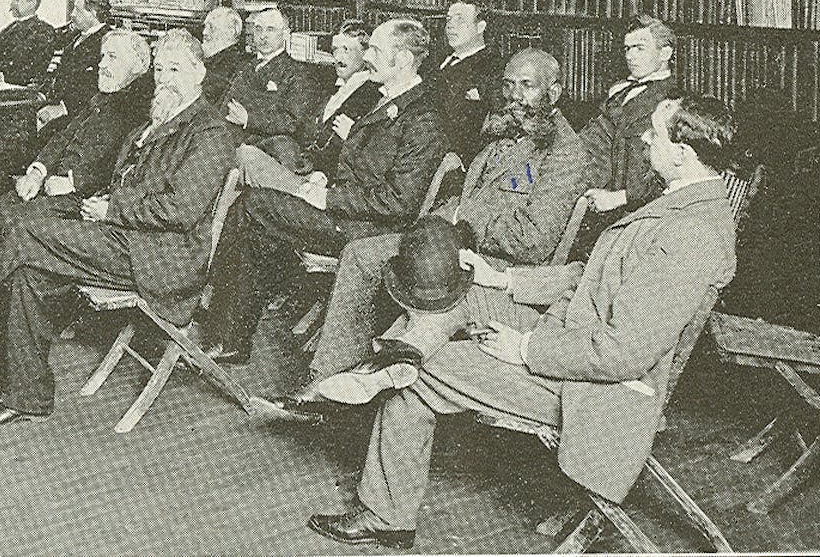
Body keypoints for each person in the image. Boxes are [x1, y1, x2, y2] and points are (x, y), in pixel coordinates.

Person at [304, 94, 738, 549]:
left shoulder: (691, 234)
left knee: (428, 373)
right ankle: (392, 362)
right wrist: (505, 278)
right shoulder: (676, 204)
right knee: (465, 294)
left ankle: (386, 501)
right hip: (567, 334)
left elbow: (622, 355)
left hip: (590, 391)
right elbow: (584, 278)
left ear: (682, 154)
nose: (644, 139)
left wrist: (524, 350)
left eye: (654, 132)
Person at [0, 29, 235, 427]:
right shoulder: (160, 118)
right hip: (127, 238)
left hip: (161, 258)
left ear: (200, 73)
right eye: (159, 70)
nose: (165, 78)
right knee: (28, 273)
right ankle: (27, 396)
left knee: (28, 232)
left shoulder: (210, 133)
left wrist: (110, 208)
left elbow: (181, 210)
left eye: (176, 69)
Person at [261, 48, 588, 410]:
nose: (513, 95)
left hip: (497, 266)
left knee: (393, 263)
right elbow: (466, 199)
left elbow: (533, 242)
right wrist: (440, 220)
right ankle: (329, 378)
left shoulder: (565, 154)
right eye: (509, 84)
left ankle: (367, 375)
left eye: (526, 86)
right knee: (361, 254)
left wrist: (464, 216)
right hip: (454, 241)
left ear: (553, 93)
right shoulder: (504, 131)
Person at [198, 18, 446, 363]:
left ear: (403, 60)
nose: (367, 57)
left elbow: (400, 203)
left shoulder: (422, 119)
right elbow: (359, 166)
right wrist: (324, 181)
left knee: (253, 206)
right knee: (259, 221)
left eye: (374, 49)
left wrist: (328, 197)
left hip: (367, 232)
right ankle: (227, 331)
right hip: (345, 211)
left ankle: (220, 325)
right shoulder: (384, 99)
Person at [0, 29, 154, 327]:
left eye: (111, 57)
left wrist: (74, 182)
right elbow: (63, 136)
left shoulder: (140, 107)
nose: (101, 64)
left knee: (7, 225)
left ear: (137, 65)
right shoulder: (103, 94)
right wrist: (37, 171)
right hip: (49, 187)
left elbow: (124, 166)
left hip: (80, 201)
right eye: (102, 56)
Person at [234, 18, 381, 194]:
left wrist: (322, 176)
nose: (338, 58)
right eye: (335, 50)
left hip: (319, 186)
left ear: (366, 54)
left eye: (347, 50)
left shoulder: (369, 96)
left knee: (245, 158)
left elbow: (361, 157)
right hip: (302, 168)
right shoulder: (336, 88)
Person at [580, 14, 677, 219]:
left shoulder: (674, 101)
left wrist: (620, 197)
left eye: (639, 48)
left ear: (665, 53)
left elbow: (674, 173)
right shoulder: (619, 91)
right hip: (588, 190)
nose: (630, 56)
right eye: (627, 48)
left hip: (631, 210)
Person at [221, 8, 314, 151]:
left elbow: (292, 122)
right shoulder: (244, 66)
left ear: (285, 34)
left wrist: (249, 119)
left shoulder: (296, 73)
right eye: (258, 29)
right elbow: (225, 105)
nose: (263, 36)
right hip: (227, 140)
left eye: (270, 30)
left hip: (263, 149)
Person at [431, 0, 502, 162]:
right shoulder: (437, 58)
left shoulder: (493, 67)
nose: (450, 25)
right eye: (448, 19)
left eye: (460, 20)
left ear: (480, 27)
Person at [35, 0, 111, 135]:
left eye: (77, 10)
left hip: (79, 115)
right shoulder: (72, 37)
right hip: (53, 106)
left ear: (93, 13)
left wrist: (63, 108)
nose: (72, 15)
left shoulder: (107, 42)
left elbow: (95, 88)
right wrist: (42, 95)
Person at [201, 6, 248, 108]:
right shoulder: (217, 60)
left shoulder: (227, 64)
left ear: (230, 32)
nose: (204, 32)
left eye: (211, 27)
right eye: (205, 27)